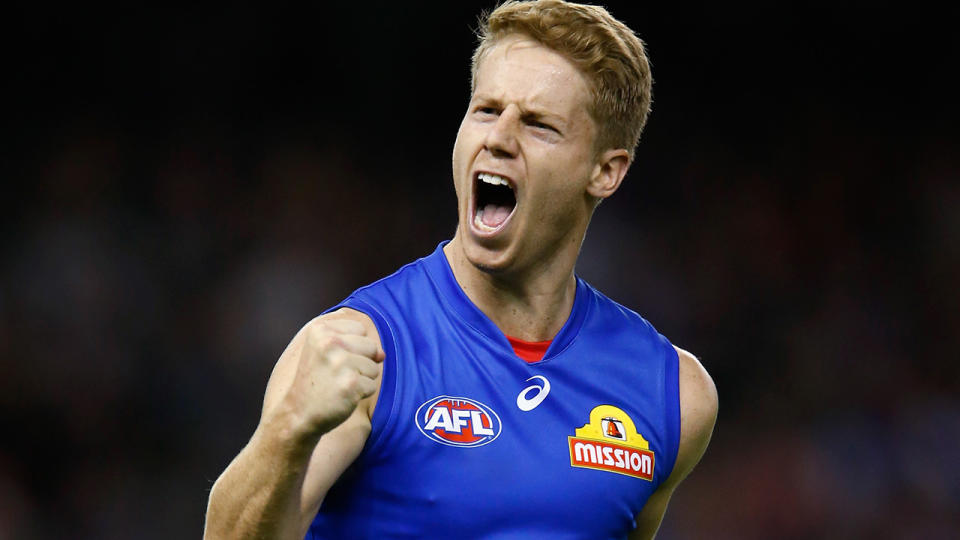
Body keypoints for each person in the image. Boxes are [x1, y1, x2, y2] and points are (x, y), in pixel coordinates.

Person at [204, 1, 718, 538]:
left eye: (539, 125)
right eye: (487, 110)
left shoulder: (673, 395)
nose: (499, 138)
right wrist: (287, 431)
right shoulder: (360, 351)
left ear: (605, 171)